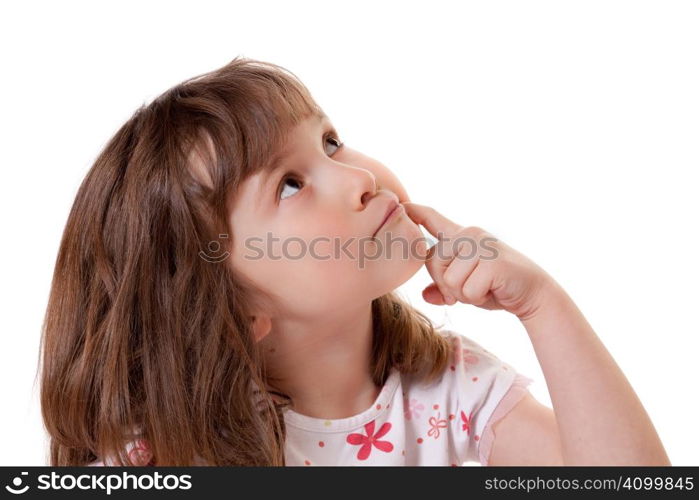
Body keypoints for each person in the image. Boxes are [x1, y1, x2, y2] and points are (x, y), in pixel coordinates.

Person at [40, 56, 670, 466]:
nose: (357, 177)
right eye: (289, 183)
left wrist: (544, 308)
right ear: (232, 303)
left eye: (331, 141)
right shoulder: (166, 455)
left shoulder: (451, 392)